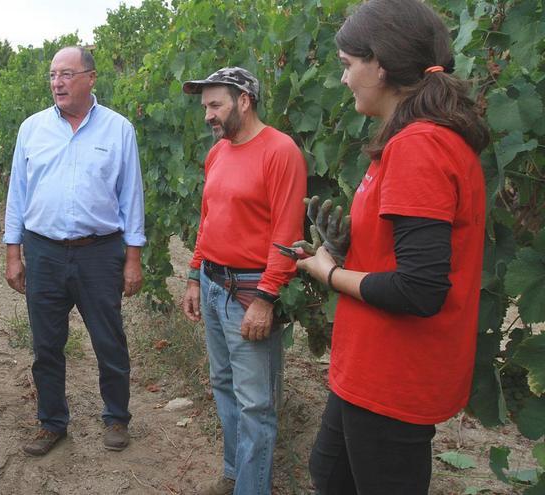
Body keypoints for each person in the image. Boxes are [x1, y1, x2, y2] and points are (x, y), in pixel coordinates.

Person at [294, 0, 490, 493]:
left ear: (379, 64)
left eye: (347, 65)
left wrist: (328, 272)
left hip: (392, 376)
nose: (344, 80)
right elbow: (405, 254)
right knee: (328, 474)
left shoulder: (417, 147)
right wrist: (348, 250)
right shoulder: (417, 140)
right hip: (368, 369)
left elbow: (419, 289)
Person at [3, 46, 146, 456]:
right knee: (46, 345)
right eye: (52, 75)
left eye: (66, 74)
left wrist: (133, 258)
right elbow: (18, 193)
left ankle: (116, 417)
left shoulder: (118, 129)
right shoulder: (32, 129)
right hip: (43, 251)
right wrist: (13, 252)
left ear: (90, 78)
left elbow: (131, 197)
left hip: (99, 252)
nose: (57, 83)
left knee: (109, 339)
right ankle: (51, 423)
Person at [180, 67, 307, 494]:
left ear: (245, 101)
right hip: (213, 284)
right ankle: (236, 474)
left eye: (215, 105)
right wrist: (194, 275)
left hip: (250, 291)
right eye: (205, 107)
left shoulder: (280, 151)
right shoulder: (218, 153)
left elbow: (287, 235)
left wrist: (265, 298)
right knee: (223, 384)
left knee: (256, 403)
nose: (208, 115)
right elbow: (208, 220)